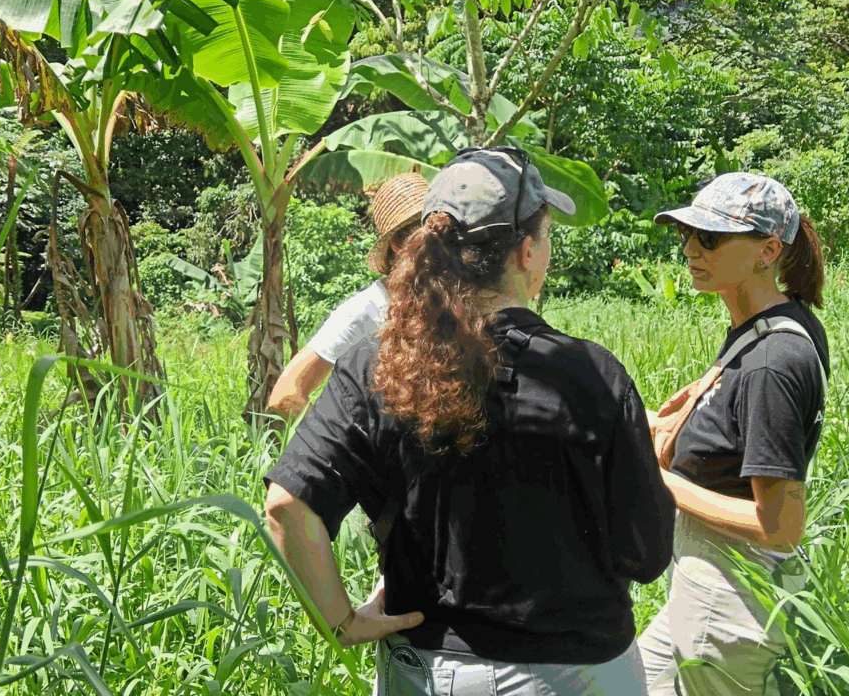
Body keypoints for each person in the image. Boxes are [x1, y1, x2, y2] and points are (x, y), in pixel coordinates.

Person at [264, 147, 676, 696]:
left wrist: (341, 620)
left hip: (436, 671)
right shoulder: (592, 374)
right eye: (547, 235)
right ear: (527, 251)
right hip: (582, 671)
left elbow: (287, 505)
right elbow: (646, 555)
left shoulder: (376, 366)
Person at [634, 173, 830, 696]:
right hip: (705, 580)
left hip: (729, 597)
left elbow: (780, 527)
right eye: (688, 235)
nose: (692, 249)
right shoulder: (765, 328)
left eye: (711, 238)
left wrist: (658, 479)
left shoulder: (772, 361)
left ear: (767, 250)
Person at [268, 172, 430, 425]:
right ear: (399, 242)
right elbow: (286, 394)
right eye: (431, 235)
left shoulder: (451, 298)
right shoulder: (366, 310)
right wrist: (343, 443)